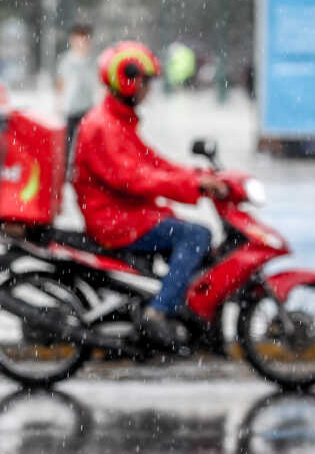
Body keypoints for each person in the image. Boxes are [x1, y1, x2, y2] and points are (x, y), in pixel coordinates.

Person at [71, 41, 227, 348]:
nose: (149, 90)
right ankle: (157, 312)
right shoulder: (104, 126)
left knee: (189, 236)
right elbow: (133, 179)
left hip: (127, 214)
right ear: (129, 81)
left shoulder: (117, 121)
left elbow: (154, 163)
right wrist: (193, 186)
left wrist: (198, 176)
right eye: (146, 82)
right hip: (115, 220)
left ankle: (173, 306)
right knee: (196, 235)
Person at [56, 21, 95, 153]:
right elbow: (61, 84)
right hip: (71, 111)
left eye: (86, 38)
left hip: (90, 111)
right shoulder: (66, 61)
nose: (82, 42)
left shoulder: (94, 61)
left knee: (89, 147)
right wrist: (60, 103)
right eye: (79, 38)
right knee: (69, 146)